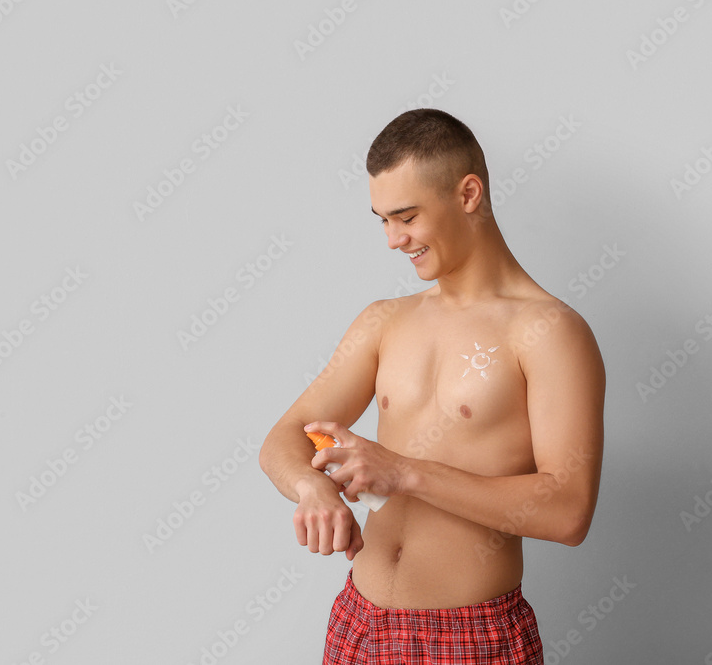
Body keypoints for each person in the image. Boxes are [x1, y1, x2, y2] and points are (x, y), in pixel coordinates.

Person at [259, 108, 606, 664]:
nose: (394, 240)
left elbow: (568, 511)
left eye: (406, 216)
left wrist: (403, 471)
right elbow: (283, 439)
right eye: (382, 220)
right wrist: (311, 488)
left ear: (468, 194)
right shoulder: (383, 321)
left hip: (470, 637)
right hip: (358, 622)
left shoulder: (548, 332)